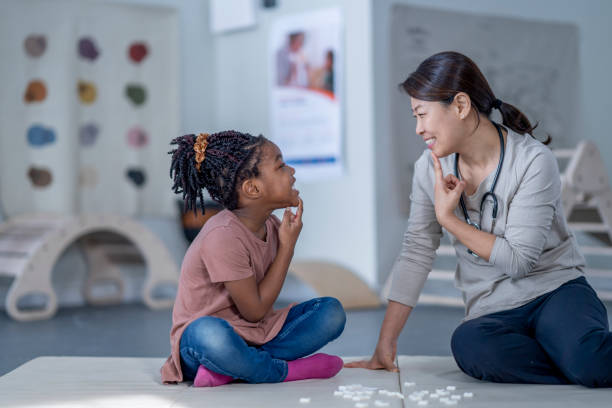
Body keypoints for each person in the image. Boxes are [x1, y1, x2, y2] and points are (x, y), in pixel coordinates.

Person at [346, 51, 612, 388]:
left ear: (460, 105)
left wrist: (449, 217)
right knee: (471, 347)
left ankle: (580, 358)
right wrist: (384, 345)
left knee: (587, 359)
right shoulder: (429, 169)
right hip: (493, 309)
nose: (418, 129)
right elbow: (416, 251)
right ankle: (572, 361)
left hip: (556, 291)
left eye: (422, 114)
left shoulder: (533, 160)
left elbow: (519, 261)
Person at [161, 131, 345, 386]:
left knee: (330, 313)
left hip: (256, 334)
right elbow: (255, 311)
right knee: (210, 334)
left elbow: (258, 319)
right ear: (252, 188)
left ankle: (231, 368)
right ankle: (284, 371)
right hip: (203, 342)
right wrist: (287, 249)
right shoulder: (223, 235)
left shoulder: (272, 226)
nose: (291, 171)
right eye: (280, 166)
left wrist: (284, 243)